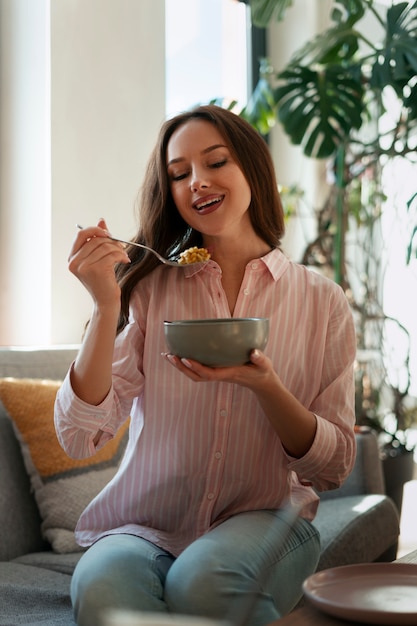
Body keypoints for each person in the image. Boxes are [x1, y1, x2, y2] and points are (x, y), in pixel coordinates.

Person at [54, 104, 357, 626]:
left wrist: (267, 386)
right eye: (179, 173)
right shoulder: (150, 291)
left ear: (252, 170)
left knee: (203, 584)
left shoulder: (322, 302)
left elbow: (331, 468)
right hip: (143, 525)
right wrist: (108, 305)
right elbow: (80, 435)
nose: (197, 182)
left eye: (216, 162)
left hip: (265, 519)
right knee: (103, 590)